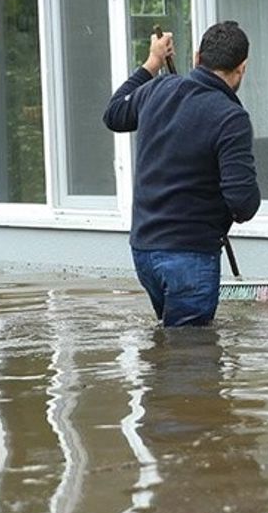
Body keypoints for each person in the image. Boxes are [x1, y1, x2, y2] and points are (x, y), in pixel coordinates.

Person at [103, 21, 260, 327]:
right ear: (242, 68)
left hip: (144, 251)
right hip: (190, 256)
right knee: (192, 361)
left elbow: (114, 113)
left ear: (197, 57)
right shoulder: (231, 117)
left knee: (171, 355)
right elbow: (242, 203)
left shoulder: (157, 89)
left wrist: (153, 62)